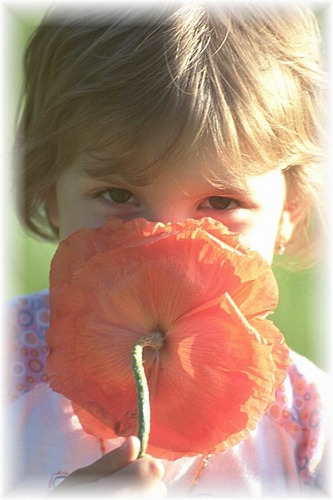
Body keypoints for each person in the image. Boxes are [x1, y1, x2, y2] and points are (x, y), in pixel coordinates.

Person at [6, 3, 329, 497]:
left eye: (220, 202)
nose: (163, 245)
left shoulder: (307, 424)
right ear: (48, 193)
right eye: (118, 196)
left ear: (290, 211)